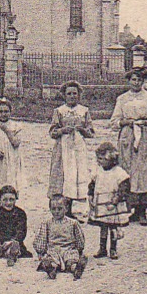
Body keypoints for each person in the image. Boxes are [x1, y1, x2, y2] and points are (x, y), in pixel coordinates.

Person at [108, 66, 147, 224]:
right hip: (127, 138)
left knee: (144, 172)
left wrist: (144, 122)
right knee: (128, 172)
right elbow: (114, 122)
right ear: (129, 80)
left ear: (143, 81)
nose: (136, 82)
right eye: (134, 79)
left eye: (139, 80)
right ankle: (132, 208)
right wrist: (125, 122)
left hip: (145, 138)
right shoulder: (122, 98)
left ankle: (143, 211)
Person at [48, 81, 96, 218]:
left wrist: (83, 130)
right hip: (63, 149)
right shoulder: (59, 111)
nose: (72, 96)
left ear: (79, 95)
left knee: (77, 174)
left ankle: (73, 207)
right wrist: (62, 130)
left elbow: (91, 132)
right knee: (63, 175)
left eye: (75, 93)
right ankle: (64, 209)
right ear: (64, 95)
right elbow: (52, 132)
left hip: (78, 149)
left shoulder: (84, 111)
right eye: (69, 94)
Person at [86, 142, 134, 259]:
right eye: (98, 159)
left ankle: (113, 249)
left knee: (113, 227)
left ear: (111, 159)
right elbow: (92, 185)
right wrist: (91, 196)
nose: (99, 161)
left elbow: (125, 187)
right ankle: (102, 248)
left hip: (113, 204)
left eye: (102, 159)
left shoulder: (118, 173)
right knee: (103, 226)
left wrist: (117, 198)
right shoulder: (98, 171)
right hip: (101, 203)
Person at [34, 194, 88, 280]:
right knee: (52, 261)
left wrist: (79, 249)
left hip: (69, 249)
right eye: (53, 209)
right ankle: (51, 269)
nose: (56, 212)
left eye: (60, 209)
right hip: (53, 250)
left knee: (71, 261)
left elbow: (79, 238)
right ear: (50, 209)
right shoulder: (47, 223)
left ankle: (77, 269)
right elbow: (42, 238)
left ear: (66, 208)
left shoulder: (73, 223)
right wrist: (41, 251)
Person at [0, 98, 25, 196]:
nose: (4, 114)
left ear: (11, 112)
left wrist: (7, 131)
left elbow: (16, 143)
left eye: (6, 111)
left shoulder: (16, 126)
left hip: (11, 160)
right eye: (1, 111)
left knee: (10, 186)